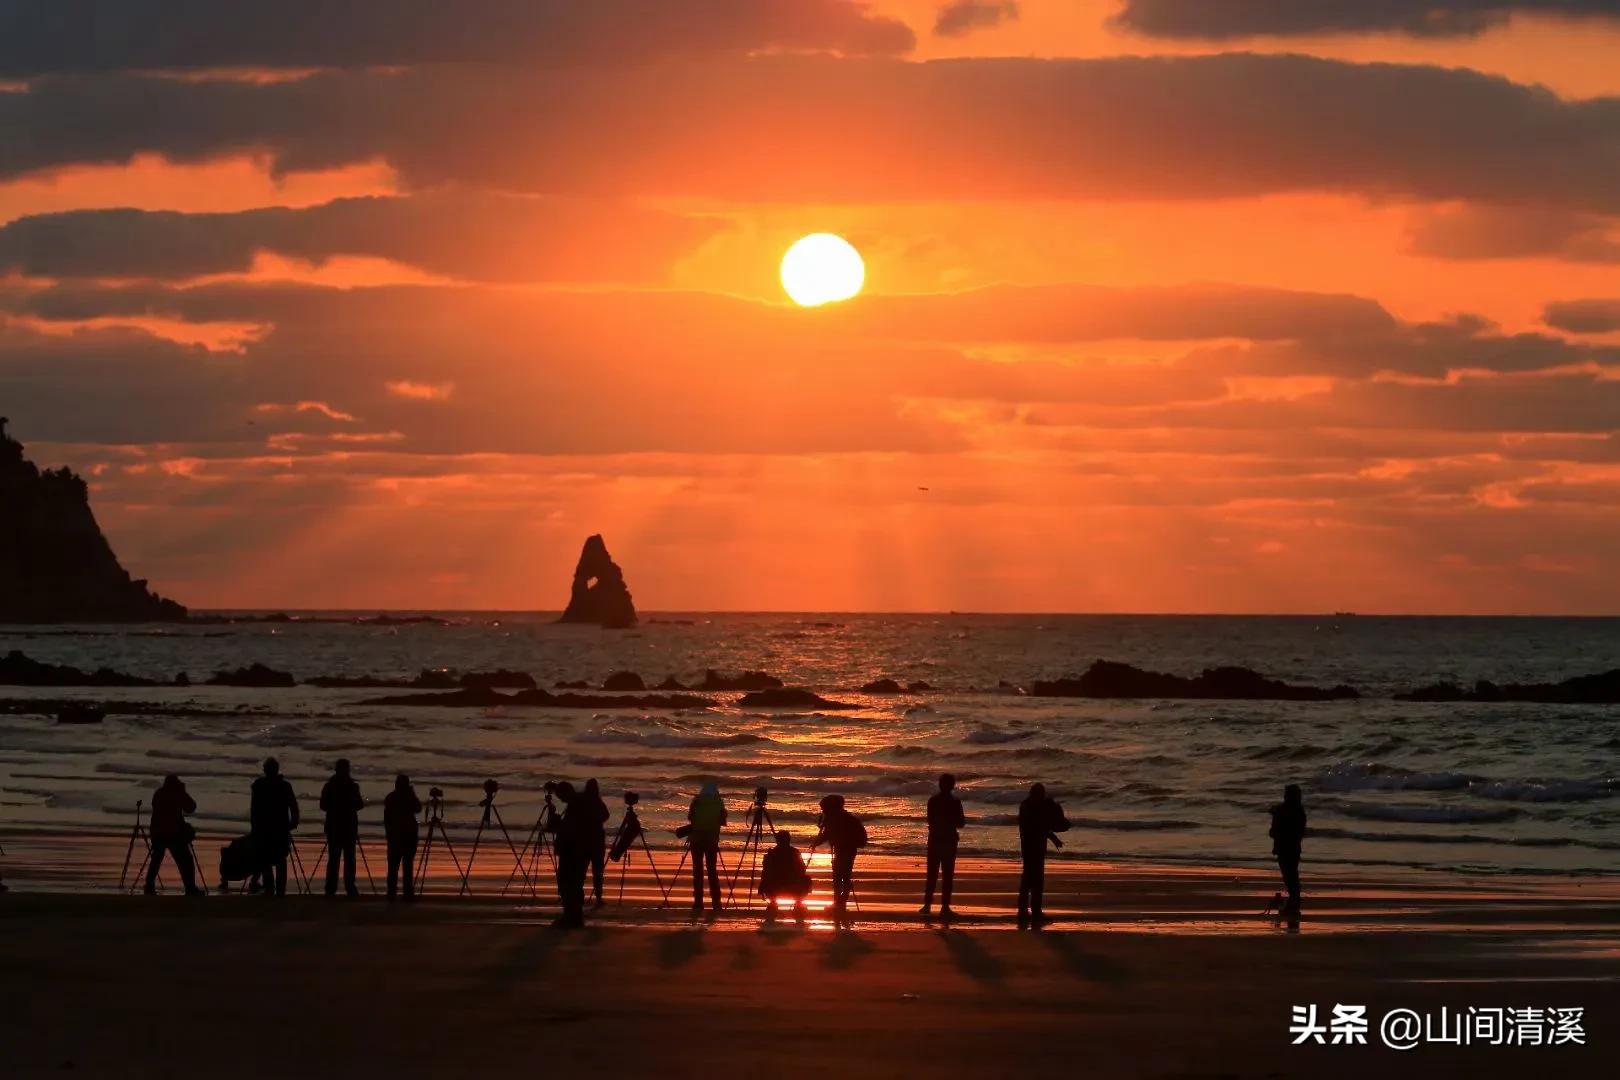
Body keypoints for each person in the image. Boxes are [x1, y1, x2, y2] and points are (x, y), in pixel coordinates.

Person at [1016, 782, 1069, 929]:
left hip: (1030, 846)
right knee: (1034, 880)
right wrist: (1053, 837)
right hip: (1033, 846)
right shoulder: (1030, 807)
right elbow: (1041, 826)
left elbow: (1043, 826)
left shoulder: (1027, 806)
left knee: (1029, 879)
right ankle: (1033, 912)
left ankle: (1025, 911)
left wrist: (1053, 839)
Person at [145, 774, 202, 896]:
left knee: (156, 859)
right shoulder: (177, 794)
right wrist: (183, 792)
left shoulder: (159, 793)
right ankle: (190, 887)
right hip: (172, 833)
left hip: (158, 832)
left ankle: (149, 886)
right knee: (185, 860)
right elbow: (191, 807)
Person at [250, 758, 299, 897]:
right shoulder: (284, 786)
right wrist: (293, 823)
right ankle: (279, 890)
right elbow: (294, 807)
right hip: (279, 828)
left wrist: (254, 827)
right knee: (279, 859)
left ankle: (270, 888)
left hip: (266, 828)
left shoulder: (259, 785)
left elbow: (254, 809)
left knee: (267, 859)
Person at [815, 794, 868, 920]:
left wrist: (815, 843)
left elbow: (826, 835)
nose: (823, 811)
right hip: (846, 850)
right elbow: (828, 834)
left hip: (845, 850)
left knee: (840, 877)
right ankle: (840, 902)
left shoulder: (837, 819)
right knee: (843, 876)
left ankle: (840, 903)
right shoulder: (843, 817)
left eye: (824, 809)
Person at [921, 772, 965, 918]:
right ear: (952, 786)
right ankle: (943, 906)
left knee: (933, 874)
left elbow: (931, 821)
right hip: (947, 840)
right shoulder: (954, 802)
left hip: (937, 839)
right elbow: (961, 823)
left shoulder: (933, 801)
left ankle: (929, 905)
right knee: (946, 875)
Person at [548, 781, 590, 928]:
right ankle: (574, 916)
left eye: (560, 796)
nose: (560, 799)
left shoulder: (576, 806)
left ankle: (572, 917)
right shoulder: (577, 804)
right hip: (578, 851)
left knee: (569, 884)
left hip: (574, 852)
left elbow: (571, 830)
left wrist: (558, 824)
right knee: (573, 884)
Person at [320, 759, 364, 897]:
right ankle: (349, 887)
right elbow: (359, 805)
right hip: (348, 826)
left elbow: (323, 805)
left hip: (335, 826)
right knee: (348, 858)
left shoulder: (330, 786)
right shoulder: (352, 786)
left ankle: (331, 888)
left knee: (334, 858)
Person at [687, 781, 727, 914]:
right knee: (712, 871)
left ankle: (698, 902)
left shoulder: (696, 801)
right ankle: (716, 902)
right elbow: (723, 821)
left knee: (697, 871)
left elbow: (690, 818)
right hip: (711, 840)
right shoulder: (718, 803)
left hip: (696, 840)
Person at [1269, 784, 1308, 919]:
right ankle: (1294, 900)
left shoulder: (1284, 811)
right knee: (1291, 875)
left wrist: (1276, 816)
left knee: (1289, 875)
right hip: (1292, 848)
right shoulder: (1298, 811)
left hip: (1286, 848)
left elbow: (1274, 832)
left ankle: (1294, 901)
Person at [383, 774, 422, 900]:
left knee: (394, 867)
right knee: (406, 865)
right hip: (407, 836)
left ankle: (391, 892)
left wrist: (388, 833)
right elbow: (418, 808)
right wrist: (411, 794)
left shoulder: (390, 797)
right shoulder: (407, 797)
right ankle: (407, 893)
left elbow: (386, 818)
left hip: (396, 836)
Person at [759, 829, 811, 922]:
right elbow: (802, 869)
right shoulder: (795, 852)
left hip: (776, 886)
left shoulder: (772, 853)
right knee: (806, 879)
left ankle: (773, 903)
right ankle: (798, 903)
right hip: (791, 886)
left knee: (766, 877)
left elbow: (766, 870)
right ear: (788, 840)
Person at [580, 778, 611, 907]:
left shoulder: (582, 801)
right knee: (597, 871)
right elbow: (606, 815)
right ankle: (598, 897)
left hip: (584, 839)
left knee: (582, 870)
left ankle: (578, 895)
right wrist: (597, 820)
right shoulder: (598, 801)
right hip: (597, 839)